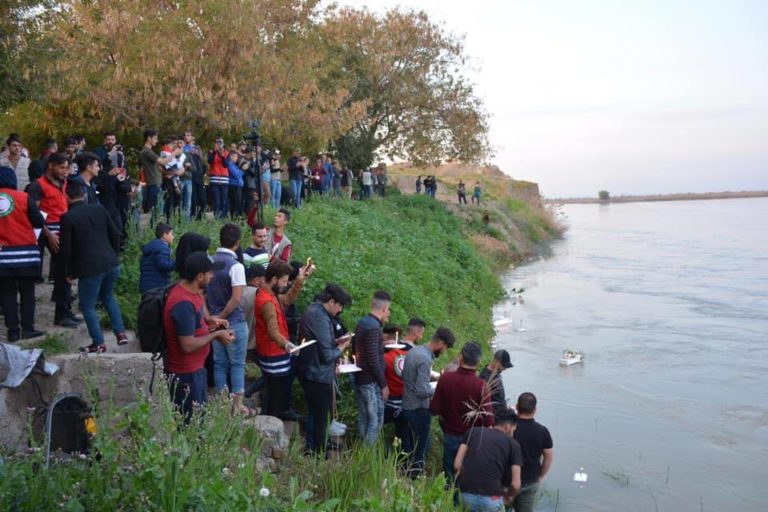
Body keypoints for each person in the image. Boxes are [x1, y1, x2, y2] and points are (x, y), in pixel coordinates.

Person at [164, 251, 234, 423]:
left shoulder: (191, 292)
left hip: (196, 370)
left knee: (198, 422)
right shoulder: (183, 303)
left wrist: (209, 323)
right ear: (200, 276)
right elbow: (187, 345)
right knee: (193, 427)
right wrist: (216, 335)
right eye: (210, 273)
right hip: (186, 374)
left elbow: (194, 324)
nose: (212, 276)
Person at [57, 181, 127, 352]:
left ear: (66, 196)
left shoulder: (67, 218)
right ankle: (121, 334)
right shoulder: (99, 210)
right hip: (111, 263)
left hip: (89, 268)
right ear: (85, 194)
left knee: (87, 306)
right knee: (108, 297)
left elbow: (66, 249)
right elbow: (117, 235)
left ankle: (99, 342)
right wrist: (114, 254)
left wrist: (68, 272)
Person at [296, 283, 354, 455]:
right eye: (340, 306)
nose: (340, 310)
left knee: (315, 413)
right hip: (317, 374)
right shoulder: (319, 317)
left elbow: (321, 343)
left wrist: (335, 343)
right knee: (321, 417)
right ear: (331, 302)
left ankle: (312, 447)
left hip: (311, 370)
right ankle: (318, 452)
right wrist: (342, 347)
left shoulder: (314, 310)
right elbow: (327, 356)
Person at [27, 152, 80, 327]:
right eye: (62, 167)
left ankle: (64, 309)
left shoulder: (63, 183)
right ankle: (61, 313)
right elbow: (33, 214)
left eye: (67, 168)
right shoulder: (37, 186)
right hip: (47, 230)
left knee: (65, 271)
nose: (65, 171)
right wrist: (48, 233)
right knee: (60, 270)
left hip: (63, 228)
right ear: (51, 166)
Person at [430, 341, 494, 484]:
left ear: (460, 358)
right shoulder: (481, 385)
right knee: (468, 474)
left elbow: (434, 409)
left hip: (450, 434)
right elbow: (489, 420)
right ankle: (463, 501)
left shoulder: (446, 378)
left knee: (449, 470)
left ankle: (448, 499)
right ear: (478, 362)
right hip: (473, 438)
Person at [254, 261, 311, 419]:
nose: (286, 284)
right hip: (273, 354)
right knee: (275, 394)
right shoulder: (266, 302)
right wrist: (287, 345)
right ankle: (271, 422)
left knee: (274, 390)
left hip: (273, 352)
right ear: (274, 280)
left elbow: (286, 300)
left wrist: (299, 281)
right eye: (284, 281)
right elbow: (272, 331)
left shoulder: (269, 295)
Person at [206, 223, 253, 415]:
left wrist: (213, 318)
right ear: (238, 243)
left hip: (213, 320)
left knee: (219, 363)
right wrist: (222, 317)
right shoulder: (236, 266)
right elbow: (236, 298)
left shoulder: (209, 261)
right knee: (237, 364)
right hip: (232, 320)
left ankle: (222, 404)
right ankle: (237, 406)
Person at [401, 326, 456, 477]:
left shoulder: (415, 350)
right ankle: (415, 476)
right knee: (420, 449)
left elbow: (413, 378)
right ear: (440, 344)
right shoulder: (425, 359)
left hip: (406, 404)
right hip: (418, 409)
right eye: (445, 348)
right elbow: (421, 390)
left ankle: (406, 473)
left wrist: (434, 378)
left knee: (410, 445)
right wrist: (440, 389)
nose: (443, 352)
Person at [0, 166, 44, 341]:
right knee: (27, 292)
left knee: (7, 293)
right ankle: (28, 328)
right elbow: (39, 221)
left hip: (2, 256)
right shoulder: (23, 197)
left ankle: (12, 330)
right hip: (25, 253)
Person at [454, 409, 523, 512]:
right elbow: (516, 484)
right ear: (507, 427)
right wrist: (508, 496)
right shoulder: (513, 444)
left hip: (466, 495)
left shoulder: (473, 432)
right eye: (514, 429)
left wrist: (467, 483)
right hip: (492, 498)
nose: (513, 434)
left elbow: (457, 465)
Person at [353, 290, 392, 445]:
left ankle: (360, 449)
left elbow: (366, 349)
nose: (388, 313)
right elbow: (373, 359)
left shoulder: (363, 322)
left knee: (364, 416)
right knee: (375, 419)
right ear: (383, 309)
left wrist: (382, 344)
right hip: (370, 381)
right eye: (388, 310)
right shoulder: (374, 327)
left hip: (360, 377)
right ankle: (368, 455)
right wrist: (383, 384)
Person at [383, 317, 426, 446]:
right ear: (415, 333)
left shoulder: (389, 349)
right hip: (405, 401)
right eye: (421, 333)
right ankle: (404, 460)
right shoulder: (417, 355)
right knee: (404, 434)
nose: (422, 336)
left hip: (387, 398)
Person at [512, 392, 554, 512]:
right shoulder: (542, 431)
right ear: (535, 409)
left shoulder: (509, 428)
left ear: (517, 407)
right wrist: (541, 475)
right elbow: (548, 458)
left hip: (507, 479)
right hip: (530, 480)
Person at [140, 129, 180, 224]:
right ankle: (154, 230)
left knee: (157, 210)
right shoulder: (146, 151)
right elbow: (163, 161)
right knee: (156, 211)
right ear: (149, 138)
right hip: (153, 184)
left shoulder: (149, 151)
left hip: (156, 183)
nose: (156, 141)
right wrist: (174, 153)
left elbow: (159, 166)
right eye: (155, 138)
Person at [139, 223, 176, 293]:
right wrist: (177, 263)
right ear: (165, 235)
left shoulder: (152, 245)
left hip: (146, 284)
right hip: (157, 286)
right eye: (171, 234)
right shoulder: (162, 248)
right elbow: (163, 265)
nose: (173, 237)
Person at [479, 349, 514, 417]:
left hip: (500, 412)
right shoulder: (485, 378)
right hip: (496, 416)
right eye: (503, 365)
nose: (505, 369)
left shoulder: (492, 374)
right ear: (496, 361)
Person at [207, 137, 229, 218]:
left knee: (224, 200)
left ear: (223, 144)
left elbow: (226, 165)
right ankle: (216, 217)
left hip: (224, 180)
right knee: (216, 200)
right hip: (214, 179)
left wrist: (222, 155)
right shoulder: (211, 152)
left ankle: (223, 217)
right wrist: (214, 152)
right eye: (217, 142)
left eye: (220, 143)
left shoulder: (226, 153)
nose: (219, 144)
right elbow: (210, 161)